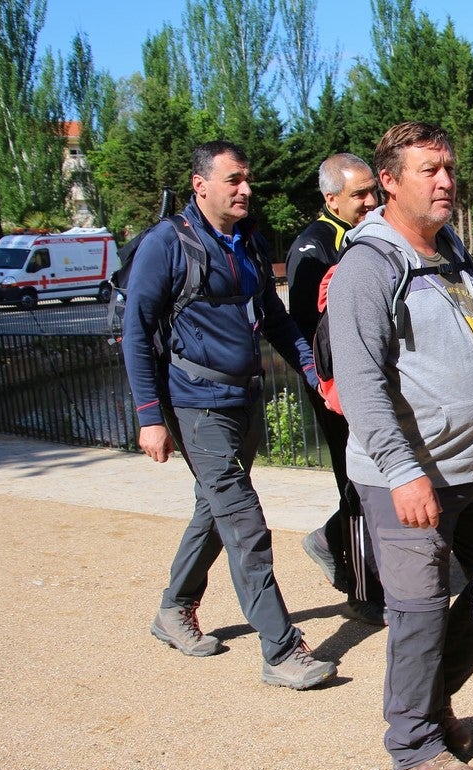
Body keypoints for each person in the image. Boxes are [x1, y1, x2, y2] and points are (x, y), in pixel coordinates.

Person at [328, 122, 473, 770]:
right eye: (429, 169)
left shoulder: (449, 247)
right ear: (389, 180)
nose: (446, 180)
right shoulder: (368, 264)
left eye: (448, 167)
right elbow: (358, 382)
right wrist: (403, 469)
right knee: (416, 610)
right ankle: (413, 740)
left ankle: (431, 698)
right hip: (407, 476)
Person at [123, 140, 336, 690]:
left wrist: (316, 371)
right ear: (201, 185)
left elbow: (275, 320)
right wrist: (150, 415)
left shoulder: (249, 242)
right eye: (234, 179)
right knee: (245, 523)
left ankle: (173, 609)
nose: (245, 189)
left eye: (247, 179)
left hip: (243, 400)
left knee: (213, 512)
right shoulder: (166, 244)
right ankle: (281, 651)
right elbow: (137, 333)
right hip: (195, 405)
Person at [285, 153, 386, 626]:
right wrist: (331, 389)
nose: (370, 201)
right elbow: (307, 331)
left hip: (372, 378)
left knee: (377, 479)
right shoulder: (312, 247)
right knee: (357, 484)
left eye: (372, 191)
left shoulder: (372, 232)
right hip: (336, 386)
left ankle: (328, 539)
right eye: (358, 194)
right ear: (331, 199)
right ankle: (363, 591)